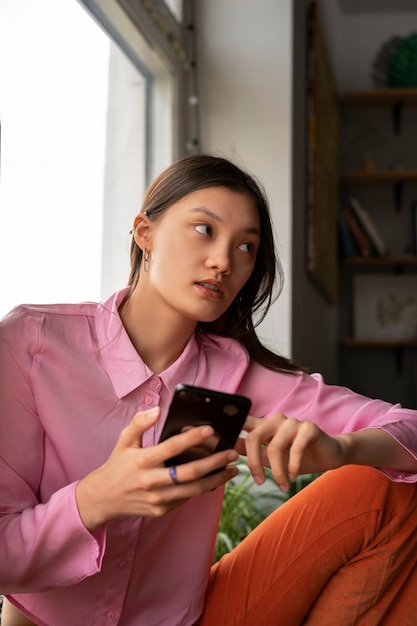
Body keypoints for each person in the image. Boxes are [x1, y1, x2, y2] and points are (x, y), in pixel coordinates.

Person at [1, 153, 417, 626]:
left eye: (246, 247)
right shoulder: (30, 344)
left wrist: (340, 449)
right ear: (145, 232)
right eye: (205, 229)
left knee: (384, 487)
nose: (223, 261)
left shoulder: (241, 375)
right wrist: (97, 497)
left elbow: (408, 430)